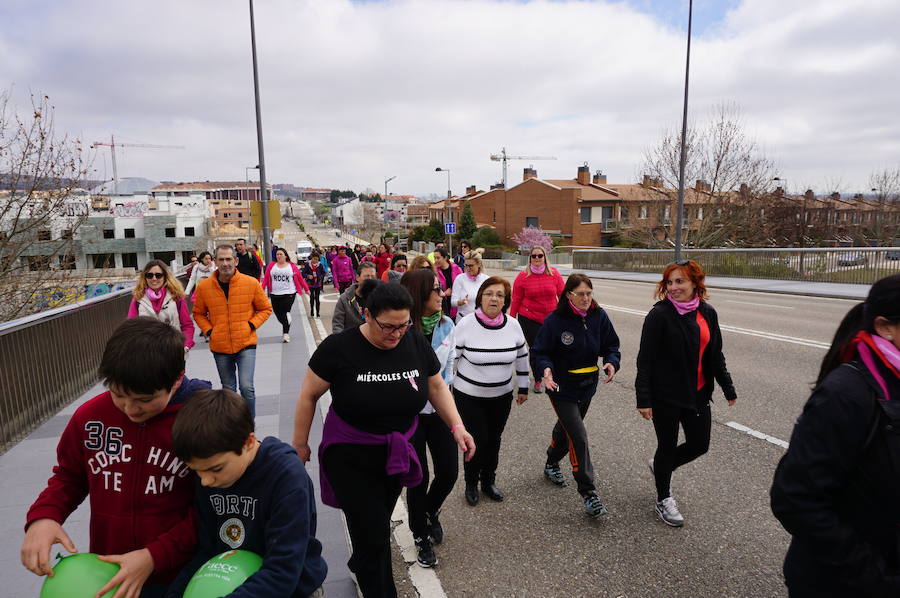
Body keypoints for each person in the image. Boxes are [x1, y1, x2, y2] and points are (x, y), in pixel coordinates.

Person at [292, 281, 475, 598]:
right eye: (388, 326)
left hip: (394, 454)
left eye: (403, 325)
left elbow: (435, 387)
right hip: (350, 457)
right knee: (376, 536)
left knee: (371, 531)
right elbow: (308, 395)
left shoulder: (414, 341)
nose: (397, 333)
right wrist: (300, 444)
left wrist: (457, 426)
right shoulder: (339, 349)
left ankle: (361, 562)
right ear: (366, 315)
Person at [20, 317, 211, 598]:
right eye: (119, 395)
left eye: (145, 400)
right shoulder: (90, 417)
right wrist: (44, 517)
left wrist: (154, 556)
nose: (130, 409)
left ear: (177, 379)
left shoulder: (202, 421)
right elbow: (69, 476)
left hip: (182, 574)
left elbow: (209, 507)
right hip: (109, 573)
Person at [770, 274, 900, 598]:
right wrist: (875, 580)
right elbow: (794, 498)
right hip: (841, 583)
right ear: (886, 327)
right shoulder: (846, 395)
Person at [168, 389, 328, 598]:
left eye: (215, 469)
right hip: (231, 582)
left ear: (248, 442)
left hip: (294, 589)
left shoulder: (286, 476)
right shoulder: (209, 476)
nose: (206, 481)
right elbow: (206, 550)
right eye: (196, 471)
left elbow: (283, 571)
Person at [635, 259, 736, 527]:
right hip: (665, 395)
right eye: (669, 282)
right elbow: (645, 360)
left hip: (698, 394)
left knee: (699, 444)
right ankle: (663, 498)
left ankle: (660, 467)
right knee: (666, 447)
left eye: (679, 281)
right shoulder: (659, 315)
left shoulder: (707, 313)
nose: (673, 287)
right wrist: (643, 398)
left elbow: (715, 354)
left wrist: (727, 386)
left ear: (695, 283)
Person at [532, 273, 621, 518]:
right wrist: (545, 370)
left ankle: (551, 463)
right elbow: (540, 352)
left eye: (589, 293)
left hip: (587, 385)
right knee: (578, 436)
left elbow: (612, 345)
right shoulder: (555, 320)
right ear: (568, 295)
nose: (585, 298)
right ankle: (588, 492)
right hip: (561, 387)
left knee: (567, 430)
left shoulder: (598, 316)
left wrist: (612, 362)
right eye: (580, 294)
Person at [453, 275, 529, 505]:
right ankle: (471, 483)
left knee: (494, 439)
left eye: (499, 295)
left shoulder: (513, 325)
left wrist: (523, 387)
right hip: (469, 395)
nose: (493, 299)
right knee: (477, 439)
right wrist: (445, 391)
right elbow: (451, 360)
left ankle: (488, 482)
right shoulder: (465, 324)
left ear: (505, 301)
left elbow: (522, 357)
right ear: (480, 298)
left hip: (502, 396)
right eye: (488, 294)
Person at [399, 269, 458, 568]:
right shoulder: (401, 332)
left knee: (449, 472)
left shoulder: (448, 325)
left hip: (438, 412)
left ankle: (429, 512)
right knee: (417, 478)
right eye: (436, 289)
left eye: (442, 288)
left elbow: (449, 371)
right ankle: (420, 536)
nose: (442, 293)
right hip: (410, 416)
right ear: (419, 294)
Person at [193, 244, 273, 418]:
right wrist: (209, 331)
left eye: (229, 259)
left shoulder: (250, 283)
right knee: (228, 390)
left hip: (246, 343)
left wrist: (251, 325)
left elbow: (266, 309)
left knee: (246, 387)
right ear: (215, 262)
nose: (225, 263)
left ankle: (249, 427)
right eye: (221, 259)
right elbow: (198, 313)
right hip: (220, 346)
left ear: (236, 261)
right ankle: (234, 426)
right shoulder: (204, 287)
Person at [510, 245, 565, 394]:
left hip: (551, 319)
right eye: (533, 256)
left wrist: (567, 314)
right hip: (529, 318)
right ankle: (538, 378)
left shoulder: (554, 274)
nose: (537, 259)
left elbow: (563, 296)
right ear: (530, 259)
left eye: (540, 256)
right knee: (536, 349)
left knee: (553, 348)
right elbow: (516, 300)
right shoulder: (523, 276)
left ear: (544, 257)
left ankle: (552, 373)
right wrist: (511, 321)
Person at [127, 259, 195, 352]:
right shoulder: (138, 299)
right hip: (147, 354)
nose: (154, 279)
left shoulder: (176, 297)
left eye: (158, 275)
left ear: (165, 277)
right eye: (149, 275)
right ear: (145, 278)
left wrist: (185, 345)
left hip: (173, 351)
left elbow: (187, 325)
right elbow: (131, 328)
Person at [262, 247, 309, 343]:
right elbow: (266, 278)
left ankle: (286, 334)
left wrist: (306, 289)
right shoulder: (271, 266)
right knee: (278, 314)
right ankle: (287, 321)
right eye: (277, 254)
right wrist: (261, 289)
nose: (278, 256)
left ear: (285, 256)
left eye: (281, 254)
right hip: (275, 293)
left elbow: (299, 279)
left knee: (285, 312)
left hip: (289, 293)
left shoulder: (291, 266)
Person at [332, 261, 377, 334]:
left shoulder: (380, 297)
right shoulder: (345, 298)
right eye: (367, 276)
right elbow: (337, 324)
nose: (370, 279)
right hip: (351, 341)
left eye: (373, 276)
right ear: (357, 277)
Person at [451, 248, 488, 322]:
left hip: (480, 320)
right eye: (466, 265)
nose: (468, 268)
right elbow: (452, 302)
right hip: (462, 320)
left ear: (479, 265)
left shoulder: (486, 280)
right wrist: (460, 302)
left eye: (471, 265)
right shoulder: (460, 279)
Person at [433, 247, 462, 318]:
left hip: (456, 305)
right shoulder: (434, 271)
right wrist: (445, 293)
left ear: (445, 258)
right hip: (442, 306)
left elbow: (463, 285)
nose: (436, 260)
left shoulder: (457, 269)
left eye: (438, 258)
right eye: (434, 258)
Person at [302, 253, 326, 318]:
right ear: (311, 258)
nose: (315, 260)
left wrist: (319, 277)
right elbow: (303, 273)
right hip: (310, 284)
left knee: (317, 299)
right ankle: (312, 310)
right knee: (312, 298)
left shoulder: (320, 265)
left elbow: (323, 273)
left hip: (318, 284)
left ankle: (318, 313)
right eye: (314, 259)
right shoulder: (307, 265)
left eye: (317, 259)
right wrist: (308, 276)